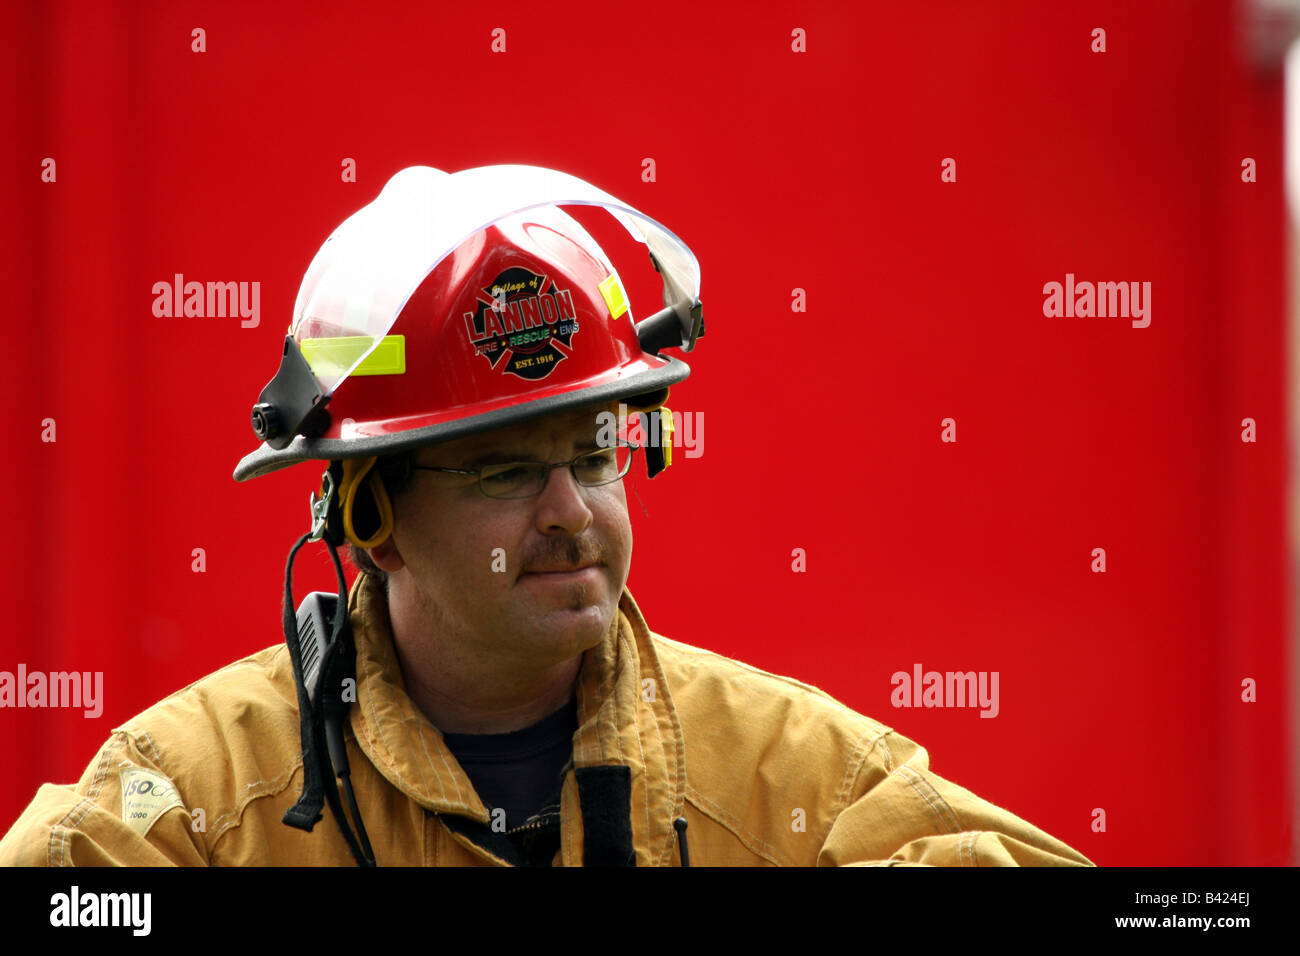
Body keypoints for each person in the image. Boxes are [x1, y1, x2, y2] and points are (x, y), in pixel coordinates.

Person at [0, 165, 1093, 867]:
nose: (573, 512)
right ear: (372, 515)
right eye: (505, 472)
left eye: (594, 454)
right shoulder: (191, 803)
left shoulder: (788, 777)